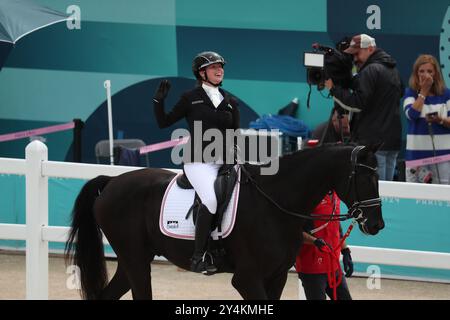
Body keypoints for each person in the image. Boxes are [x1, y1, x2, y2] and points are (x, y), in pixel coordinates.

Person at [152, 51, 240, 274]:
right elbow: (163, 122)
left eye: (221, 66)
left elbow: (234, 134)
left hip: (225, 161)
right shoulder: (190, 98)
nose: (219, 70)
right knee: (210, 200)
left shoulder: (229, 100)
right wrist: (158, 101)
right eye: (214, 67)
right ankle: (198, 256)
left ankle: (225, 245)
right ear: (202, 73)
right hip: (198, 162)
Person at [324, 34, 403, 181]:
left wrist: (333, 89)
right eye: (352, 54)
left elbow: (357, 104)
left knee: (375, 190)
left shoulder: (370, 70)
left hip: (373, 142)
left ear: (371, 49)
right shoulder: (392, 70)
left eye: (357, 53)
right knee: (388, 192)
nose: (354, 59)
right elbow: (394, 94)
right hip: (391, 141)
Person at [295, 189, 353, 300]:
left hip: (333, 265)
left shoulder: (335, 194)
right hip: (312, 267)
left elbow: (336, 225)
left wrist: (345, 251)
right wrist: (315, 241)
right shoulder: (307, 195)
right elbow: (294, 230)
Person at [403, 54, 450, 184]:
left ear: (436, 74)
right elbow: (412, 114)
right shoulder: (410, 93)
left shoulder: (446, 94)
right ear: (416, 74)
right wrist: (423, 91)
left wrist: (440, 120)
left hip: (442, 155)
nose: (425, 75)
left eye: (430, 71)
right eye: (421, 71)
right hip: (416, 155)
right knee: (414, 194)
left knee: (442, 193)